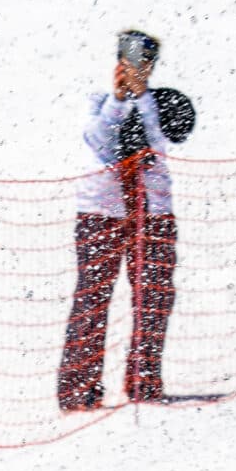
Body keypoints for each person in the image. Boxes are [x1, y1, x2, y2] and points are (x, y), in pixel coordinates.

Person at [57, 30, 192, 411]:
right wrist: (119, 100)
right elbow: (98, 140)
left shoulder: (160, 102)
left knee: (154, 297)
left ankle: (144, 383)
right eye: (135, 61)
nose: (140, 69)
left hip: (154, 211)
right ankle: (79, 391)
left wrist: (143, 97)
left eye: (147, 62)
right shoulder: (97, 101)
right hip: (102, 211)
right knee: (92, 298)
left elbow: (161, 138)